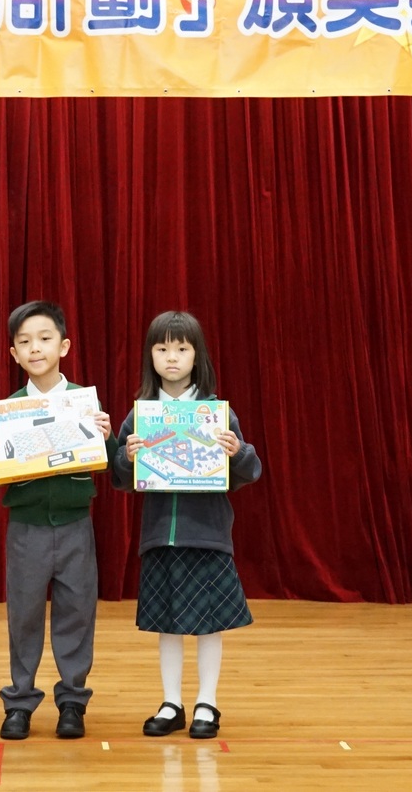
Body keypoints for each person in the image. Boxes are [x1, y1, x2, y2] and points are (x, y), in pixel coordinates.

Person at [109, 311, 263, 740]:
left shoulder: (216, 413)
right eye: (162, 349)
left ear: (198, 356)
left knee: (210, 623)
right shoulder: (140, 416)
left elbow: (250, 471)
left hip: (208, 535)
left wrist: (237, 451)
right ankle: (171, 702)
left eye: (181, 348)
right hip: (160, 536)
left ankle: (207, 702)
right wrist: (127, 456)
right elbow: (119, 478)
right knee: (167, 622)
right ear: (150, 356)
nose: (172, 357)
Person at [0, 301, 115, 741]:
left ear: (64, 346)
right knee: (24, 615)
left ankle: (72, 701)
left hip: (76, 525)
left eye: (44, 339)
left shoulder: (84, 404)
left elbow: (107, 462)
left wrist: (107, 437)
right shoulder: (7, 410)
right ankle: (19, 702)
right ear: (14, 354)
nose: (35, 348)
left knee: (77, 613)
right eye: (24, 342)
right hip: (27, 527)